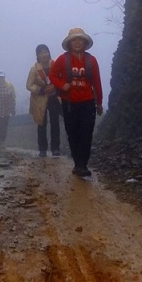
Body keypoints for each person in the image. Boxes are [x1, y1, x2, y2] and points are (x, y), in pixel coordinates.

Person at [50, 27, 102, 177]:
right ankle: (77, 163)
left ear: (85, 43)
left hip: (88, 102)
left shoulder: (91, 60)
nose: (77, 42)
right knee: (72, 133)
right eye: (74, 40)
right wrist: (61, 85)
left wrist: (99, 102)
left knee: (86, 133)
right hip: (69, 103)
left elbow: (97, 83)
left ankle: (83, 165)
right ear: (69, 43)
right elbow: (53, 75)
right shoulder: (63, 59)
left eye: (80, 40)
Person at [26, 44, 62, 157]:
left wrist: (55, 87)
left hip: (54, 97)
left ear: (49, 52)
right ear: (37, 55)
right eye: (41, 53)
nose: (44, 55)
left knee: (55, 122)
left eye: (45, 52)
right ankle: (42, 148)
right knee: (41, 123)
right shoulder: (34, 69)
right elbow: (29, 85)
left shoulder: (55, 65)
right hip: (40, 99)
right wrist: (42, 90)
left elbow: (62, 78)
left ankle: (55, 148)